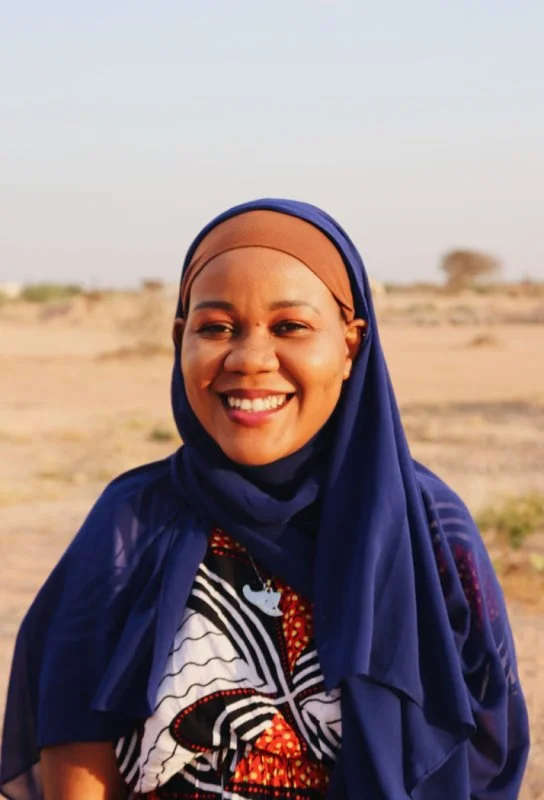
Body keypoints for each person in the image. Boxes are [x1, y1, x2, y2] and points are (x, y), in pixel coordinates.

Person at [1, 199, 530, 800]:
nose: (250, 359)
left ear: (352, 345)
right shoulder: (130, 524)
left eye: (290, 327)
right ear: (181, 340)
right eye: (216, 327)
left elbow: (488, 749)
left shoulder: (428, 530)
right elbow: (77, 750)